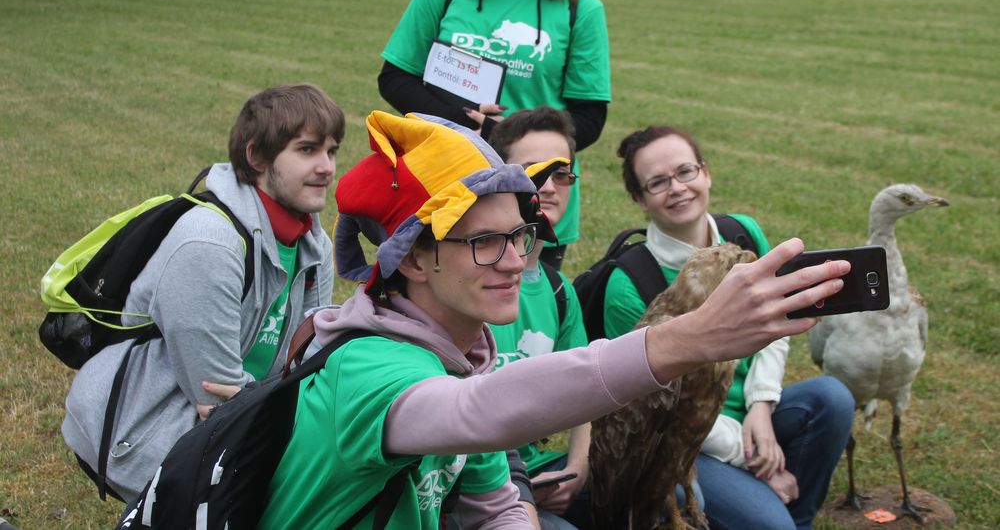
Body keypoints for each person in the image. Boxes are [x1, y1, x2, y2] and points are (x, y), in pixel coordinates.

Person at [255, 110, 850, 530]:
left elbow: (496, 505)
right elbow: (480, 411)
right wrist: (689, 338)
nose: (516, 261)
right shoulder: (368, 366)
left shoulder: (462, 357)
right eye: (484, 242)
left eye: (519, 235)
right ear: (411, 258)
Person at [62, 83, 344, 502]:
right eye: (307, 150)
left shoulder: (314, 246)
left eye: (332, 151)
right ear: (257, 157)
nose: (326, 167)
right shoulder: (209, 242)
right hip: (140, 435)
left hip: (236, 425)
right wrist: (288, 413)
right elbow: (216, 398)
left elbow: (310, 363)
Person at [603, 125, 855, 530]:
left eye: (685, 171)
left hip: (753, 413)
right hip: (688, 444)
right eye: (657, 182)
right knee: (772, 526)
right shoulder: (629, 284)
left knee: (832, 398)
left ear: (705, 173)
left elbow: (777, 325)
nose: (677, 188)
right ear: (639, 198)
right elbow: (658, 411)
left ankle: (798, 517)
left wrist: (762, 406)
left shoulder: (742, 233)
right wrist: (751, 457)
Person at [378, 0, 611, 268]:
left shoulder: (580, 7)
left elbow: (590, 118)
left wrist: (511, 138)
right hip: (448, 187)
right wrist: (467, 123)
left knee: (529, 309)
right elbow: (395, 79)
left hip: (536, 198)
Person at [487, 107, 591, 529]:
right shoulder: (476, 277)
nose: (549, 186)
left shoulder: (559, 290)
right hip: (477, 476)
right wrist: (522, 488)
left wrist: (578, 469)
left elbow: (588, 390)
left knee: (664, 495)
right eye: (533, 171)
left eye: (561, 174)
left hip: (539, 467)